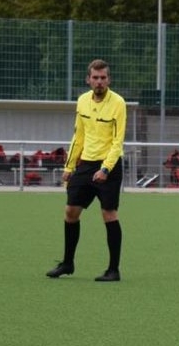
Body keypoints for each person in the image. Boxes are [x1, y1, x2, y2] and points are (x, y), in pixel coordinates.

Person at [46, 59, 127, 281]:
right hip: (86, 165)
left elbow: (117, 142)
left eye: (103, 78)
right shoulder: (82, 101)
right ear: (88, 79)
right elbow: (78, 136)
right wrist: (69, 166)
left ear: (108, 80)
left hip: (109, 166)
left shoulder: (118, 103)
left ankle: (113, 270)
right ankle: (67, 263)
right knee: (71, 212)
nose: (99, 81)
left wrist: (105, 169)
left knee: (109, 214)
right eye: (95, 77)